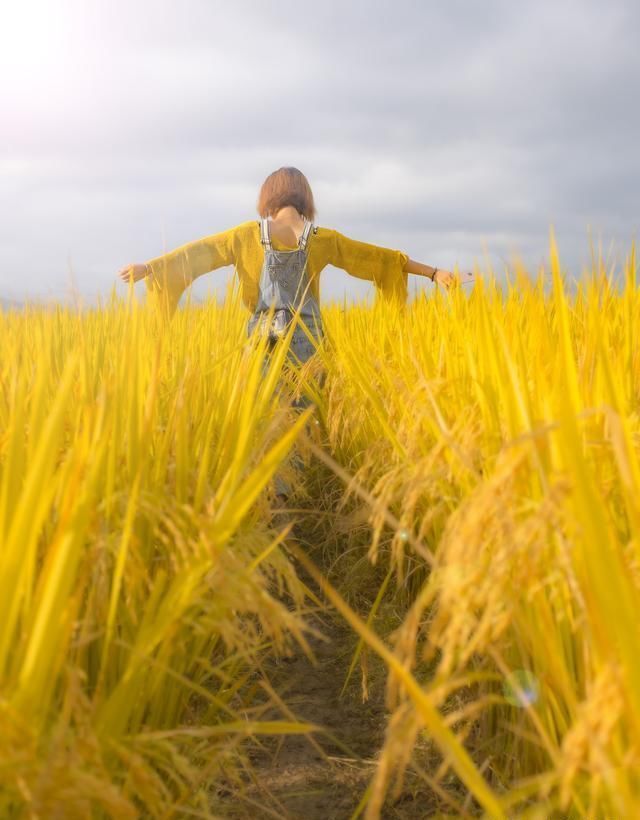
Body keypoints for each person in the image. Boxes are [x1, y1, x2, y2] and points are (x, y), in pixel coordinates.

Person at [117, 166, 473, 501]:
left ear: (267, 198)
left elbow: (197, 254)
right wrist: (434, 273)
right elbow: (379, 259)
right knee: (303, 419)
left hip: (263, 338)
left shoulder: (246, 236)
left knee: (265, 415)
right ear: (305, 198)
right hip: (309, 340)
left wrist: (152, 268)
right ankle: (293, 496)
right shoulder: (323, 239)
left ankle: (271, 499)